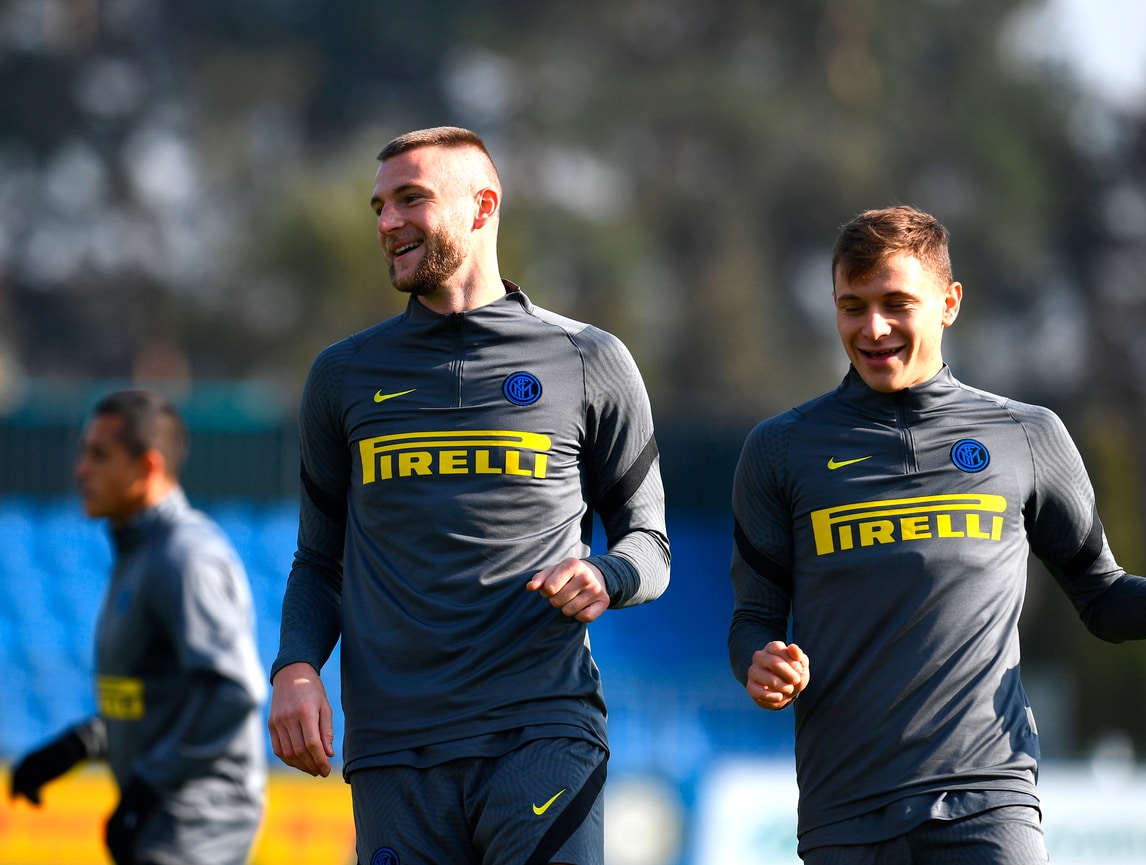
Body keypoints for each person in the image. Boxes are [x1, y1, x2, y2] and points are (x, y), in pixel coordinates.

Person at [267, 126, 671, 865]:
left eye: (410, 199)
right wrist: (295, 665)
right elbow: (320, 561)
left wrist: (605, 574)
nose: (387, 222)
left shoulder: (589, 359)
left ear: (483, 206)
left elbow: (651, 545)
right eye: (379, 206)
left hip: (541, 728)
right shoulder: (342, 376)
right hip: (394, 748)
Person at [728, 204, 1146, 864]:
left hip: (989, 801)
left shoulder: (1026, 435)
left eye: (896, 304)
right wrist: (760, 664)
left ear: (949, 303)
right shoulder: (779, 450)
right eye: (852, 306)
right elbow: (753, 619)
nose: (873, 328)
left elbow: (1102, 597)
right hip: (845, 813)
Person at [8, 390, 267, 865]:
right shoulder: (142, 553)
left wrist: (147, 788)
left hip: (197, 824)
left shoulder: (185, 556)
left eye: (99, 455)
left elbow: (233, 689)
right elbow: (160, 699)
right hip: (166, 822)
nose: (80, 469)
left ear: (147, 467)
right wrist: (80, 745)